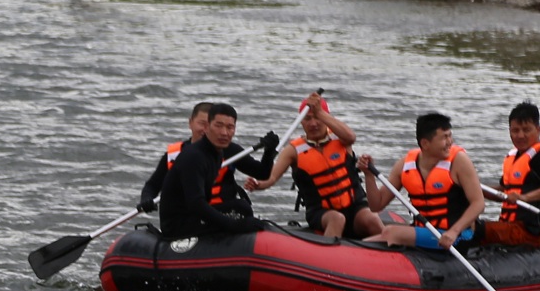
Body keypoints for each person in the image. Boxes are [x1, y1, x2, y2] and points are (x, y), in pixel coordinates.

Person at [137, 102, 280, 240]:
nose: (224, 133)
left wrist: (269, 151)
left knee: (242, 207)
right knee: (240, 216)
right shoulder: (193, 156)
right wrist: (235, 225)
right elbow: (195, 204)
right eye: (218, 126)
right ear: (197, 124)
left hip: (206, 210)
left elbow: (263, 174)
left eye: (229, 127)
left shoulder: (222, 150)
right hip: (182, 222)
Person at [250, 94, 384, 240]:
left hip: (354, 206)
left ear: (326, 117)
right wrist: (259, 184)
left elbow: (351, 137)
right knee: (337, 219)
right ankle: (328, 257)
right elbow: (272, 177)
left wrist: (320, 111)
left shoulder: (340, 138)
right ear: (301, 123)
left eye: (317, 117)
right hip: (322, 212)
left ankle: (392, 252)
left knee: (372, 219)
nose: (313, 123)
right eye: (307, 119)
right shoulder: (293, 150)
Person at [366, 112, 485, 250]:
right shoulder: (405, 165)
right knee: (382, 228)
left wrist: (454, 231)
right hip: (425, 232)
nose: (450, 142)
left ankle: (354, 252)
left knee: (391, 232)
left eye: (450, 136)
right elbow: (376, 205)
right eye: (444, 137)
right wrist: (369, 176)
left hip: (456, 236)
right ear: (425, 143)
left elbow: (479, 203)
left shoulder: (459, 161)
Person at [478, 101, 540, 248]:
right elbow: (504, 191)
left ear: (538, 130)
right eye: (515, 130)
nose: (520, 135)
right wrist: (475, 189)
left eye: (526, 130)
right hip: (509, 227)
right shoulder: (514, 157)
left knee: (475, 230)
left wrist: (525, 198)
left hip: (532, 233)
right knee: (469, 227)